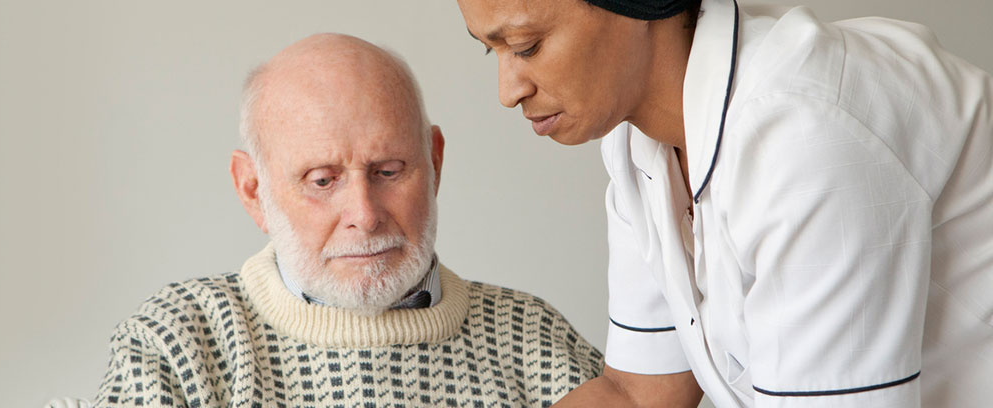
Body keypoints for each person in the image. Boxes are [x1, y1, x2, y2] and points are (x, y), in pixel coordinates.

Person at [456, 0, 992, 406]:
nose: (507, 90)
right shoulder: (637, 143)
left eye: (526, 46)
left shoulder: (805, 133)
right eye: (490, 49)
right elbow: (638, 393)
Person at [91, 33, 603, 408]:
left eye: (388, 170)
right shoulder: (179, 341)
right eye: (321, 180)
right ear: (253, 191)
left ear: (435, 163)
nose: (365, 215)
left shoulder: (534, 337)